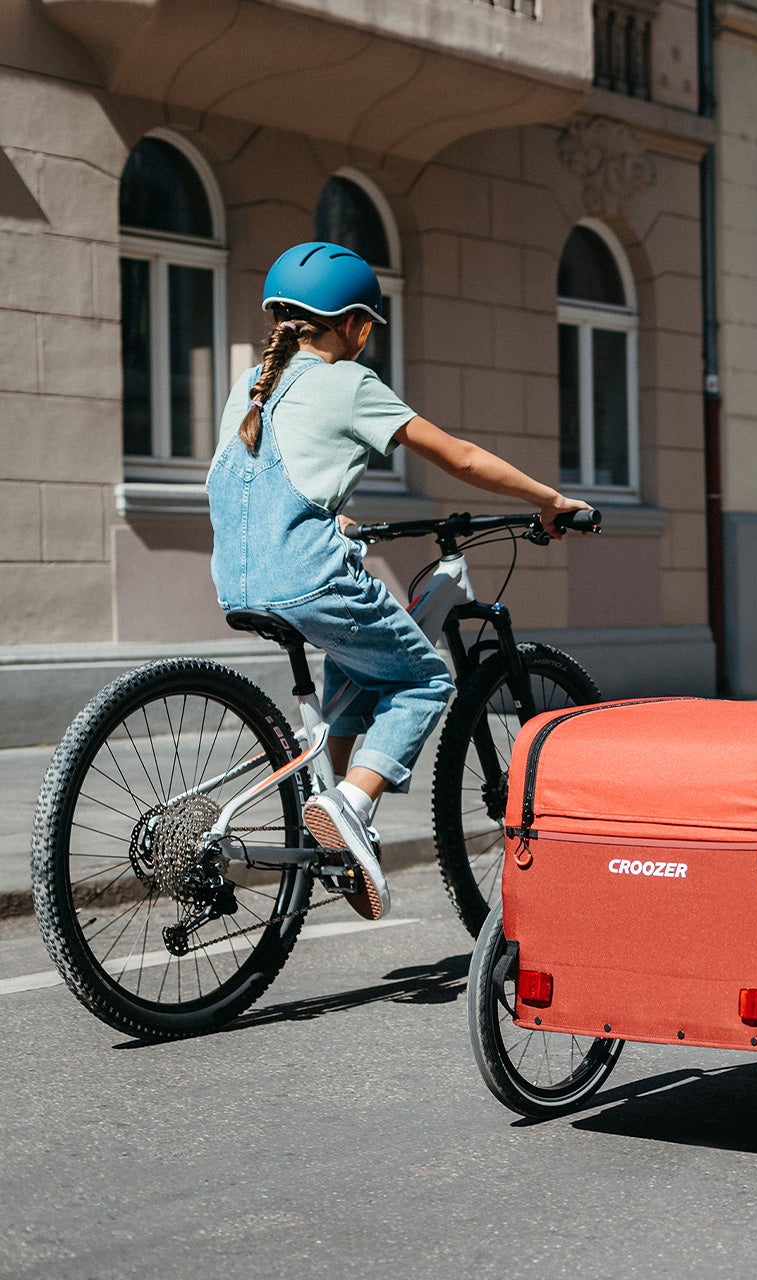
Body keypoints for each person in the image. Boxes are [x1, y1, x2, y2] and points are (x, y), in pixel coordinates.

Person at [206, 241, 591, 919]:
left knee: (359, 664)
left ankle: (326, 815)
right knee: (425, 680)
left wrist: (331, 517)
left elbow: (254, 485)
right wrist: (549, 500)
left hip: (237, 579)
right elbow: (460, 457)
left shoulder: (250, 385)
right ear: (355, 325)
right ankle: (351, 805)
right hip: (304, 577)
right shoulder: (351, 382)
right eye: (367, 326)